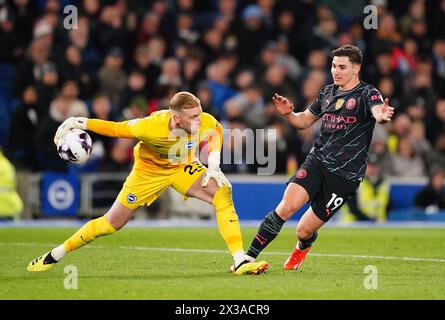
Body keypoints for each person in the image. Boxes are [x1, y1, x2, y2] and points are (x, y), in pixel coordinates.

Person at [27, 91, 268, 275]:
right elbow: (115, 129)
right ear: (176, 117)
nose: (199, 120)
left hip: (181, 166)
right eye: (193, 117)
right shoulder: (150, 127)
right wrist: (79, 122)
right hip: (147, 173)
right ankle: (56, 254)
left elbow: (215, 132)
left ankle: (239, 260)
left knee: (223, 192)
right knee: (111, 224)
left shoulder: (203, 119)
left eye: (199, 113)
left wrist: (213, 164)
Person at [242, 45, 394, 271]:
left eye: (342, 67)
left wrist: (381, 115)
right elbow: (303, 121)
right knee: (286, 207)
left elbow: (377, 112)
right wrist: (288, 115)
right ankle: (248, 258)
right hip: (318, 161)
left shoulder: (367, 93)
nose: (336, 71)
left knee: (303, 230)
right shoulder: (327, 93)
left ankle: (303, 246)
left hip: (345, 175)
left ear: (356, 68)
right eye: (333, 66)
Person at [340, 152, 391, 223]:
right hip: (353, 223)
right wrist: (371, 221)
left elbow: (388, 205)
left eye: (374, 166)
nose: (372, 169)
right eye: (369, 165)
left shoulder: (383, 183)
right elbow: (353, 208)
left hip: (378, 224)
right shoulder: (354, 182)